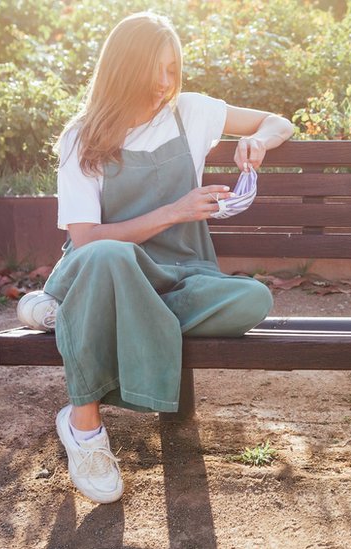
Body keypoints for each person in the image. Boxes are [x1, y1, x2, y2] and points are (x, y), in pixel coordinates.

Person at [42, 12, 293, 504]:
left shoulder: (191, 112)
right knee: (112, 257)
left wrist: (258, 139)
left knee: (253, 299)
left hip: (179, 278)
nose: (164, 83)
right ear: (122, 70)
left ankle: (73, 314)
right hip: (106, 269)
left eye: (173, 70)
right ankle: (85, 425)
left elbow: (277, 120)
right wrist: (173, 212)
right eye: (154, 70)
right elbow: (88, 239)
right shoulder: (82, 138)